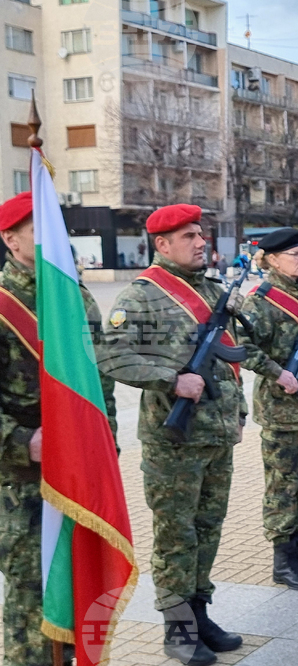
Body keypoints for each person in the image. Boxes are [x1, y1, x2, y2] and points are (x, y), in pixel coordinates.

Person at [100, 204, 243, 666]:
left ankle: (201, 614)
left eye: (201, 234)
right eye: (188, 236)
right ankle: (178, 630)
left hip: (216, 436)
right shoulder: (141, 297)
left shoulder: (211, 289)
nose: (201, 242)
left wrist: (238, 413)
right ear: (161, 244)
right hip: (173, 441)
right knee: (175, 536)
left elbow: (227, 362)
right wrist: (170, 377)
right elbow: (111, 356)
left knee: (208, 529)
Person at [0, 193, 116, 666]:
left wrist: (106, 448)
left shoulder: (76, 297)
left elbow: (99, 377)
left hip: (80, 474)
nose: (56, 240)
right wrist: (22, 442)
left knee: (76, 588)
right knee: (33, 604)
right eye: (39, 231)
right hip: (23, 480)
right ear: (10, 240)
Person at [239, 228, 298, 591]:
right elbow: (242, 346)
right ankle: (281, 559)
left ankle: (296, 550)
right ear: (273, 259)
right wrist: (277, 372)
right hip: (282, 410)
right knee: (282, 486)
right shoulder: (261, 300)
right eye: (293, 254)